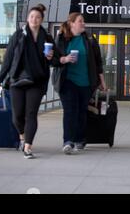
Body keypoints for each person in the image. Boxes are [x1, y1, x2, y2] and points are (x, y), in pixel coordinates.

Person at [0, 4, 54, 159]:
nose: (34, 19)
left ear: (42, 20)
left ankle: (28, 146)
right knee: (17, 116)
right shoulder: (18, 35)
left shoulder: (46, 38)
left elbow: (56, 59)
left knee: (31, 114)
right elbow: (8, 60)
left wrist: (51, 57)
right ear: (28, 18)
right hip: (17, 80)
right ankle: (22, 136)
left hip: (37, 81)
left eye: (38, 17)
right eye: (32, 16)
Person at [52, 13, 106, 155]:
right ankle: (68, 141)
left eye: (83, 21)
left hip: (86, 82)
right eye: (80, 21)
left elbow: (98, 61)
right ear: (72, 24)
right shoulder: (62, 39)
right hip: (67, 80)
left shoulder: (89, 39)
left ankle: (80, 139)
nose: (84, 23)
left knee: (81, 111)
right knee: (70, 110)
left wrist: (102, 81)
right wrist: (65, 59)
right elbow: (54, 60)